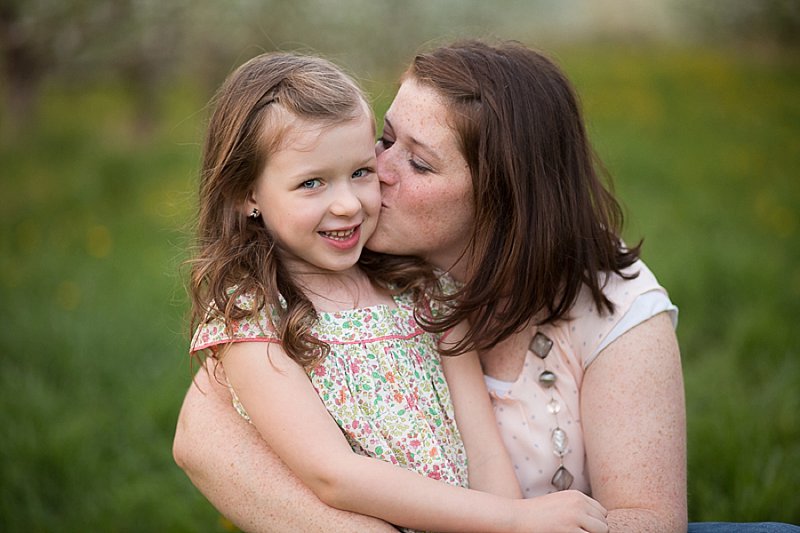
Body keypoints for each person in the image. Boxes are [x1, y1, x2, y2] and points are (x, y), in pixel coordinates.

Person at [174, 41, 800, 533]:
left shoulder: (443, 298)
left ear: (503, 199)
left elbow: (644, 520)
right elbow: (205, 440)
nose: (372, 183)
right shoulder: (292, 292)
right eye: (384, 142)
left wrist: (512, 525)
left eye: (414, 162)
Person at [185, 50, 609, 533]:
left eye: (361, 171)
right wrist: (512, 519)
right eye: (312, 183)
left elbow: (484, 447)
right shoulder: (253, 315)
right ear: (248, 195)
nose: (347, 204)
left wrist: (508, 524)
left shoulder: (423, 289)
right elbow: (332, 475)